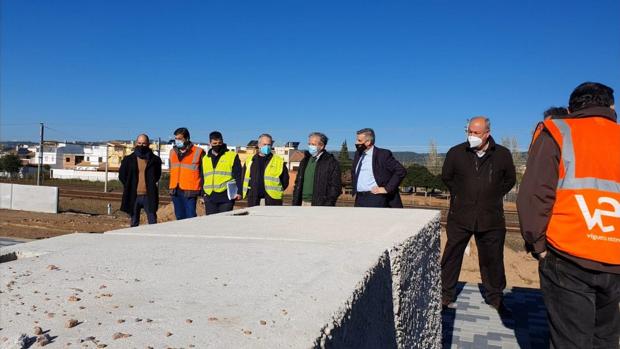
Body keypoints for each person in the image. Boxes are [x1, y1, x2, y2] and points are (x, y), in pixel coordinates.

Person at [517, 82, 619, 349]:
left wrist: (538, 246)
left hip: (568, 256)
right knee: (606, 338)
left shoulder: (558, 132)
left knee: (570, 341)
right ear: (611, 107)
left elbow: (534, 195)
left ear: (572, 107)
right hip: (615, 261)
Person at [440, 117, 516, 314]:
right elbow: (447, 176)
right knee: (452, 256)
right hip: (460, 215)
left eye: (476, 133)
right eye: (469, 132)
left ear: (487, 134)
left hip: (491, 218)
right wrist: (461, 194)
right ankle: (445, 295)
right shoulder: (456, 152)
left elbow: (510, 180)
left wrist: (491, 195)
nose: (471, 136)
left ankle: (495, 297)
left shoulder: (502, 155)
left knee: (493, 259)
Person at [351, 128, 406, 208]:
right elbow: (354, 173)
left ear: (368, 142)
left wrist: (387, 189)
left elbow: (401, 171)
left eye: (359, 140)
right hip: (359, 198)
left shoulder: (383, 155)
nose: (356, 143)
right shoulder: (357, 154)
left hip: (375, 198)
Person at [119, 134, 162, 227]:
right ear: (135, 143)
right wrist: (130, 186)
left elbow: (157, 176)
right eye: (139, 143)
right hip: (134, 196)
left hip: (149, 195)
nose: (141, 145)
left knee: (152, 221)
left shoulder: (155, 160)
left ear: (148, 144)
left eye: (144, 143)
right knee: (134, 222)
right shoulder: (128, 160)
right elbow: (122, 176)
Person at [292, 132, 342, 206]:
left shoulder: (331, 162)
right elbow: (297, 182)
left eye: (313, 144)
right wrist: (295, 200)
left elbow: (335, 187)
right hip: (301, 202)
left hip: (319, 204)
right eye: (309, 144)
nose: (310, 146)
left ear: (322, 146)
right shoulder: (305, 161)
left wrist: (328, 204)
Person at [242, 133, 289, 207]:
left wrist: (276, 190)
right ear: (259, 145)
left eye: (269, 144)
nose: (267, 147)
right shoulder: (250, 161)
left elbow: (285, 181)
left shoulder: (279, 161)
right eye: (264, 144)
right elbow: (243, 178)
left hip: (273, 199)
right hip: (253, 199)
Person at [201, 131, 242, 215]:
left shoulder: (231, 156)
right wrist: (203, 194)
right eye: (214, 143)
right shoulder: (205, 158)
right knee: (211, 223)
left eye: (219, 142)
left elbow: (239, 175)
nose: (217, 145)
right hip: (209, 197)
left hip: (226, 197)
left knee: (224, 223)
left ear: (222, 141)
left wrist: (240, 192)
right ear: (210, 143)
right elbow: (202, 177)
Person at [169, 127, 205, 220]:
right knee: (179, 217)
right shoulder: (172, 152)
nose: (177, 141)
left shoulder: (198, 152)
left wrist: (202, 191)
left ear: (187, 138)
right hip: (175, 190)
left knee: (190, 217)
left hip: (190, 190)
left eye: (180, 139)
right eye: (176, 139)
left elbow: (203, 172)